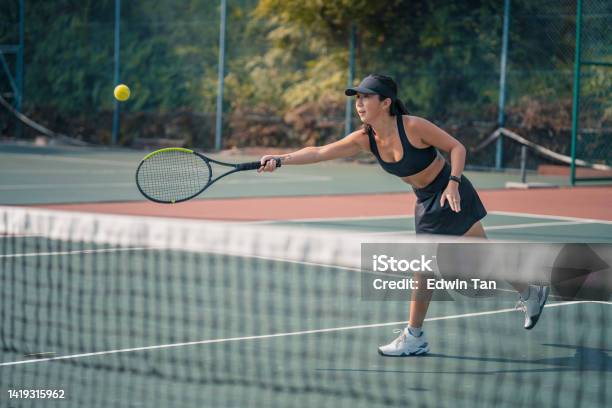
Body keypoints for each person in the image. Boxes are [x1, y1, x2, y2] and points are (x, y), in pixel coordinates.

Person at [258, 74, 549, 356]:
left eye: (366, 97)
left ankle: (414, 336)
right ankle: (530, 291)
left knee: (427, 265)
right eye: (357, 98)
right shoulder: (365, 138)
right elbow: (320, 151)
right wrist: (280, 160)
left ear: (386, 103)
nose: (359, 104)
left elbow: (456, 147)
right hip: (426, 201)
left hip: (451, 193)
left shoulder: (412, 127)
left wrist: (454, 184)